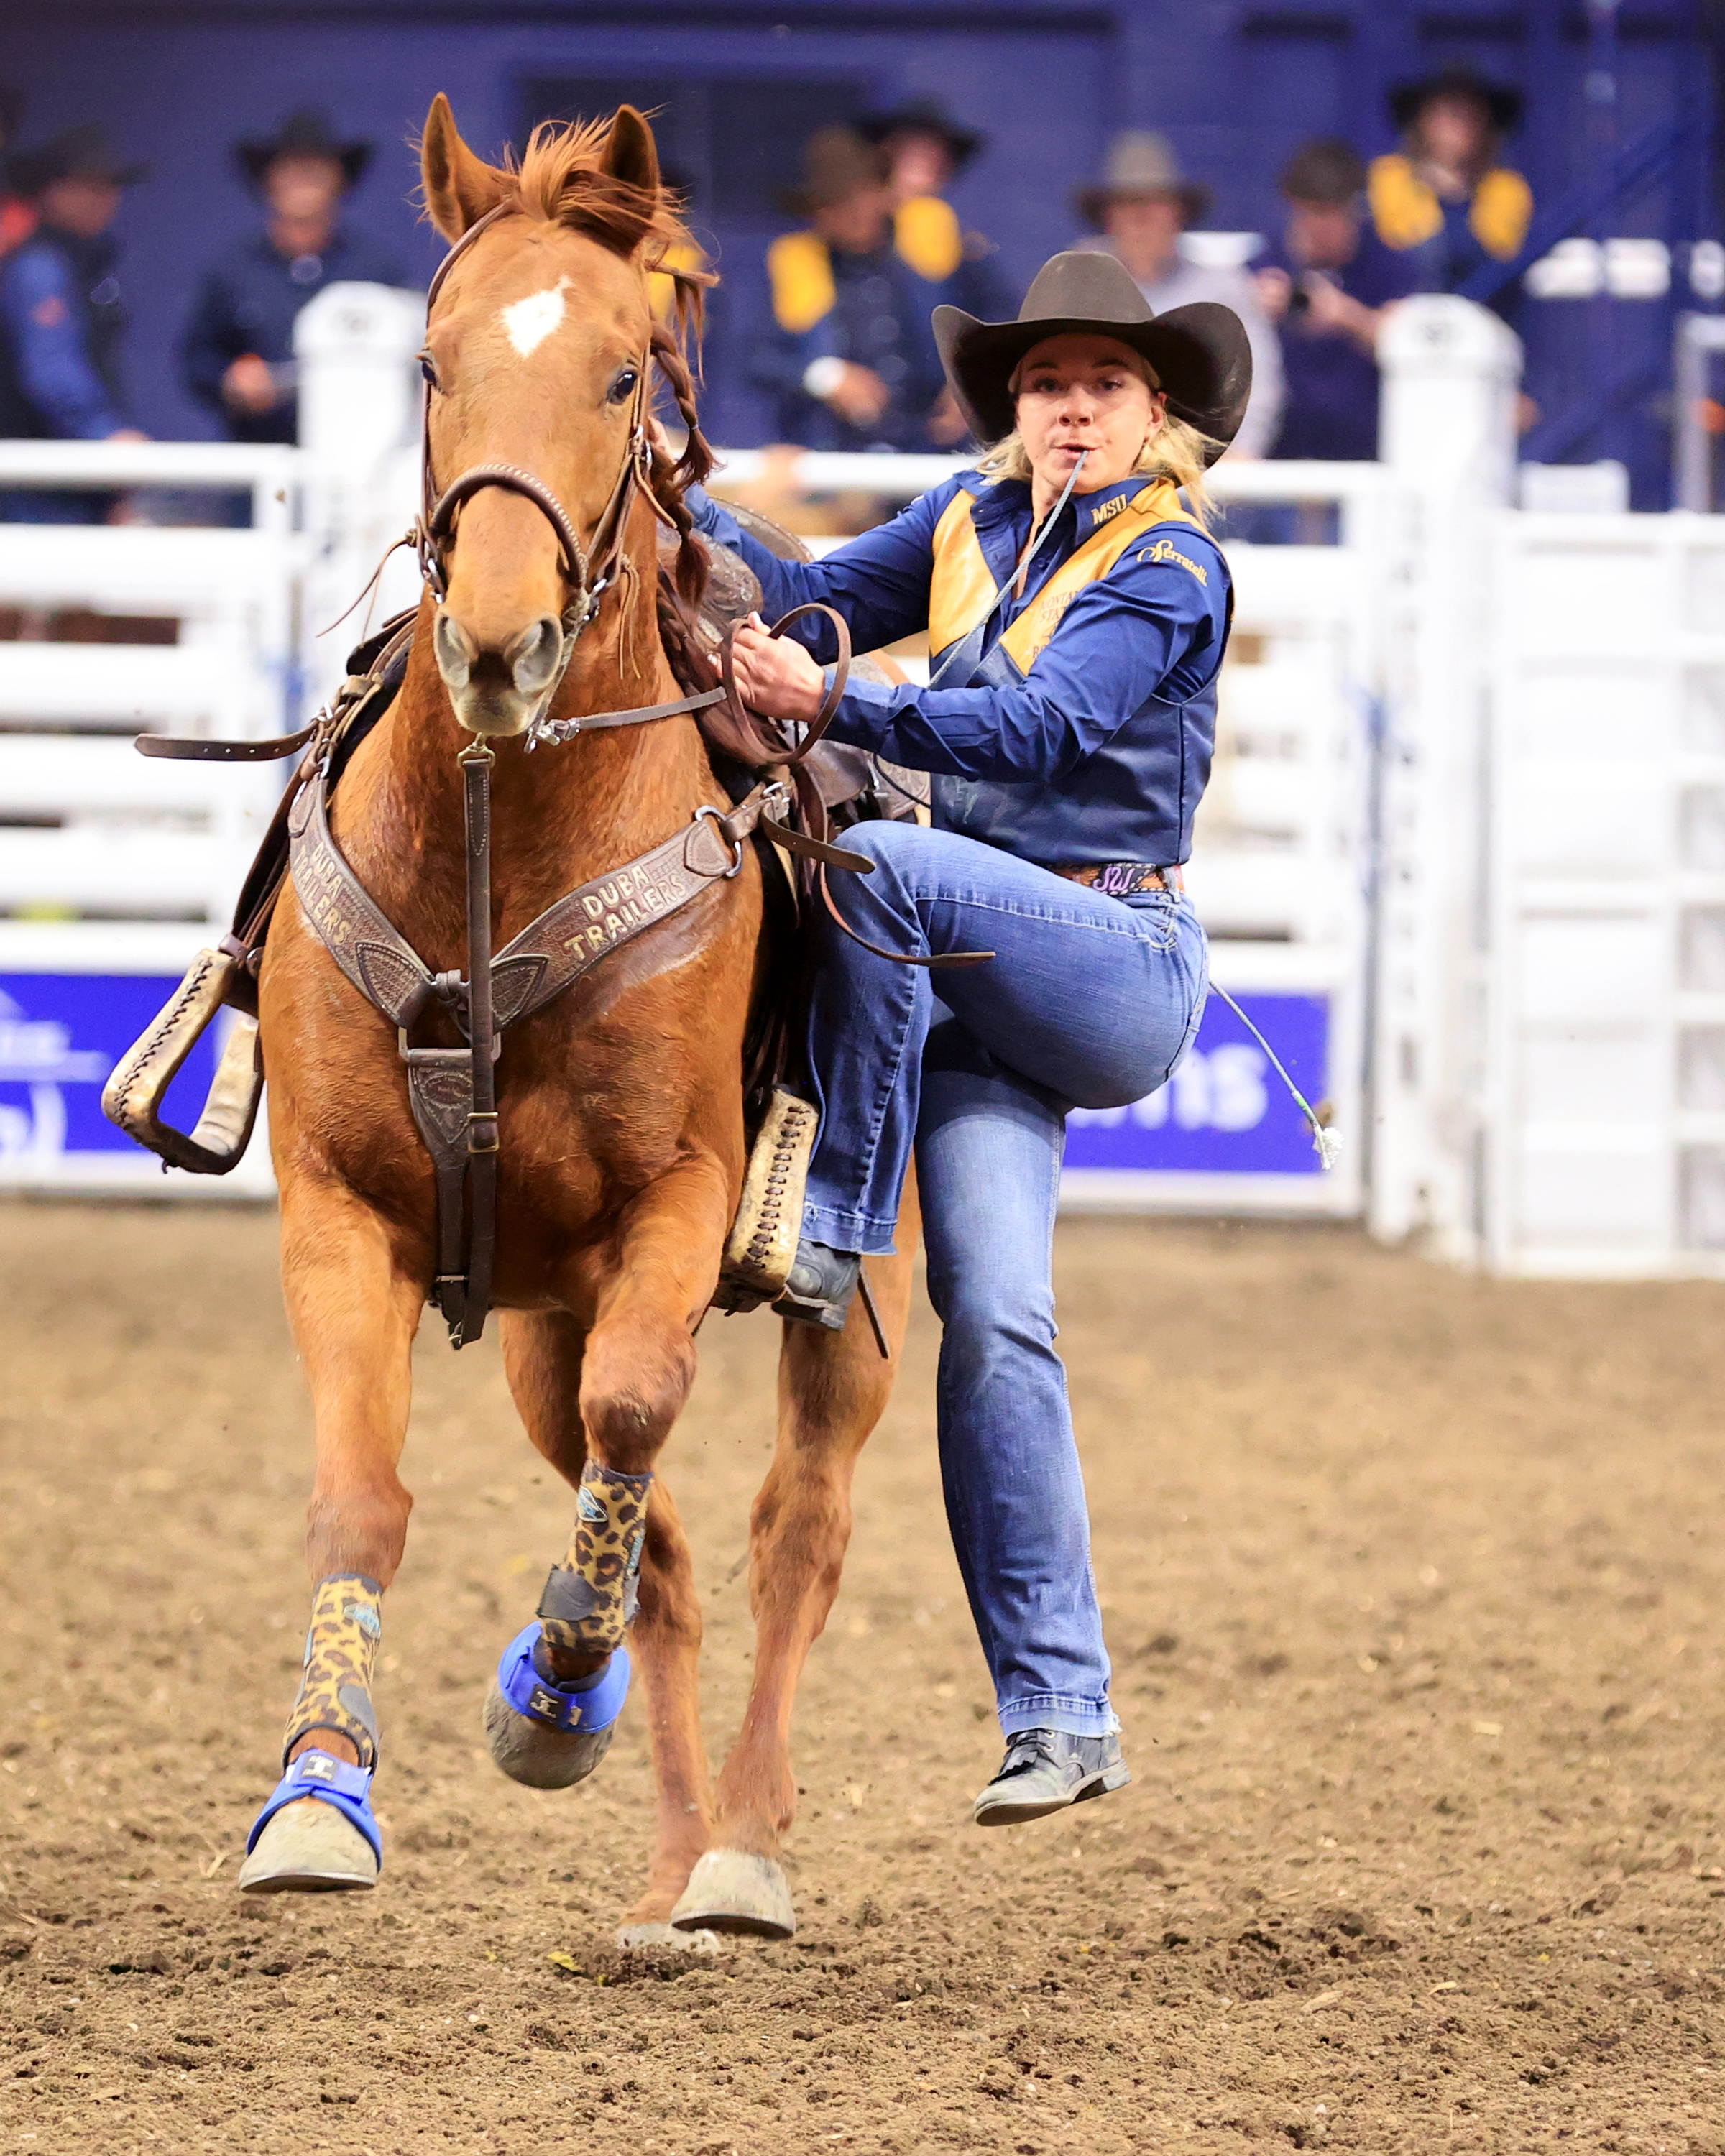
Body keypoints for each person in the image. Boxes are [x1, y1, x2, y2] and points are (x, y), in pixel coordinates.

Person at [689, 250, 1248, 1824]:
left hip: (1111, 960)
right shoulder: (965, 515)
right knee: (995, 1317)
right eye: (1050, 385)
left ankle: (830, 1223)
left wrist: (833, 704)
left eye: (1106, 388)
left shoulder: (1171, 569)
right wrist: (671, 500)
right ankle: (1064, 1714)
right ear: (1019, 405)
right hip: (971, 962)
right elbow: (806, 587)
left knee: (865, 860)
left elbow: (1031, 728)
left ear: (1158, 416)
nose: (1073, 410)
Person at [182, 109, 407, 445]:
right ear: (268, 180)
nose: (303, 177)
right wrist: (231, 381)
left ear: (340, 179)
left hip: (354, 463)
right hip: (258, 462)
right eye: (291, 166)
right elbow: (197, 358)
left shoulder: (376, 272)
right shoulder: (233, 271)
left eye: (316, 167)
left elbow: (413, 358)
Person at [1072, 130, 1281, 458]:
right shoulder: (1075, 283)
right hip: (1096, 469)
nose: (1141, 218)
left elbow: (1257, 384)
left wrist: (1239, 454)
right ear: (1107, 217)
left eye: (1154, 202)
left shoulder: (1223, 289)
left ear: (1180, 214)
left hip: (1203, 473)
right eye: (1128, 203)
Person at [748, 126, 951, 452]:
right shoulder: (796, 262)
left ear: (883, 194)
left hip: (932, 446)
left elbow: (1000, 321)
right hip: (834, 451)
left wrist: (971, 386)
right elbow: (757, 358)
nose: (855, 211)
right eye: (836, 202)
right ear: (817, 212)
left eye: (863, 194)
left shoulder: (934, 252)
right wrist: (827, 376)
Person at [0, 125, 147, 523]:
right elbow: (51, 368)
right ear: (49, 191)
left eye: (109, 187)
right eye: (85, 186)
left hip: (75, 479)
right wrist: (105, 434)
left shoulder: (88, 266)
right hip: (36, 483)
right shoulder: (39, 267)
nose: (102, 199)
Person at [1253, 139, 1419, 462]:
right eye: (1311, 213)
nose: (1321, 227)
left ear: (1355, 209)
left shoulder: (1390, 266)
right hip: (1284, 456)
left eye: (1331, 213)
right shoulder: (1264, 266)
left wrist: (1348, 317)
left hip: (1368, 458)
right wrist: (1253, 314)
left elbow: (1411, 347)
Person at [1368, 63, 1532, 300]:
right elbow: (1406, 254)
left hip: (1482, 318)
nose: (1460, 126)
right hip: (1408, 315)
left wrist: (1455, 195)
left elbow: (1489, 266)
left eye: (1473, 116)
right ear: (1422, 120)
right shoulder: (1390, 174)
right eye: (1450, 114)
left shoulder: (1508, 187)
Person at [856, 94, 1016, 323]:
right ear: (885, 151)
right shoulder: (853, 234)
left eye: (939, 150)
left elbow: (1001, 313)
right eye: (915, 146)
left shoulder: (965, 246)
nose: (930, 157)